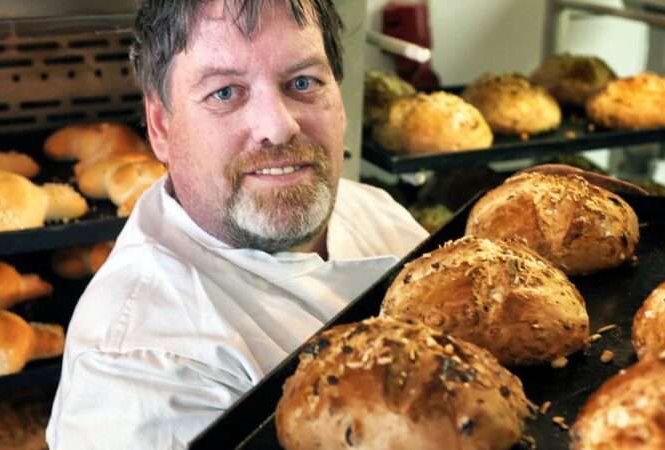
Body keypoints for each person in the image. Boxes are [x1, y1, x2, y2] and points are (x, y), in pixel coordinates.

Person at [46, 0, 428, 448]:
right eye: (225, 92)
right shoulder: (138, 368)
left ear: (340, 104)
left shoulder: (375, 208)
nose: (278, 127)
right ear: (162, 127)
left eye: (303, 82)